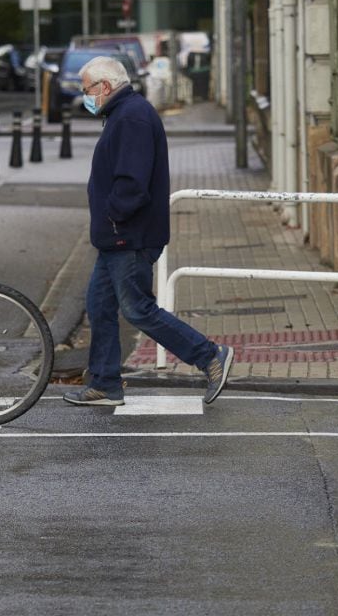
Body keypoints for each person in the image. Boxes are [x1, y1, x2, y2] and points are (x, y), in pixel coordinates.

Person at [63, 56, 233, 407]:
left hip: (129, 235)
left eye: (87, 90)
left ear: (105, 87)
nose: (86, 97)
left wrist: (114, 217)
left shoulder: (131, 117)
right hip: (117, 237)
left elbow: (132, 183)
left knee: (138, 309)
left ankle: (210, 355)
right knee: (99, 306)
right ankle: (106, 382)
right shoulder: (123, 115)